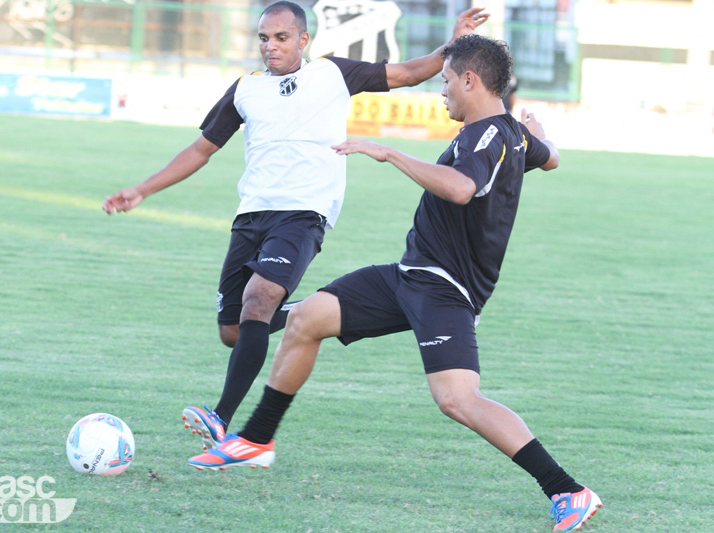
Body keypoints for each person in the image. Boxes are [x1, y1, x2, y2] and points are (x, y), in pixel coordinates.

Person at [188, 34, 602, 533]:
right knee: (307, 317)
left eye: (446, 82)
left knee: (458, 400)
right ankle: (256, 440)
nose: (441, 92)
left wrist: (388, 153)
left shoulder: (484, 136)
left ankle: (568, 491)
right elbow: (550, 157)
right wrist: (541, 136)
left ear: (470, 80)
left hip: (446, 288)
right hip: (411, 273)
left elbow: (461, 188)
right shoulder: (508, 131)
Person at [102, 1, 490, 451]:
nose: (271, 46)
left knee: (259, 296)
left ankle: (219, 417)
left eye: (281, 38)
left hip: (304, 212)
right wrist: (143, 190)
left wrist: (454, 42)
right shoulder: (245, 89)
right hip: (251, 216)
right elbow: (201, 149)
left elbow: (407, 73)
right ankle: (314, 312)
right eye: (264, 38)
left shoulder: (332, 73)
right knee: (234, 329)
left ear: (303, 40)